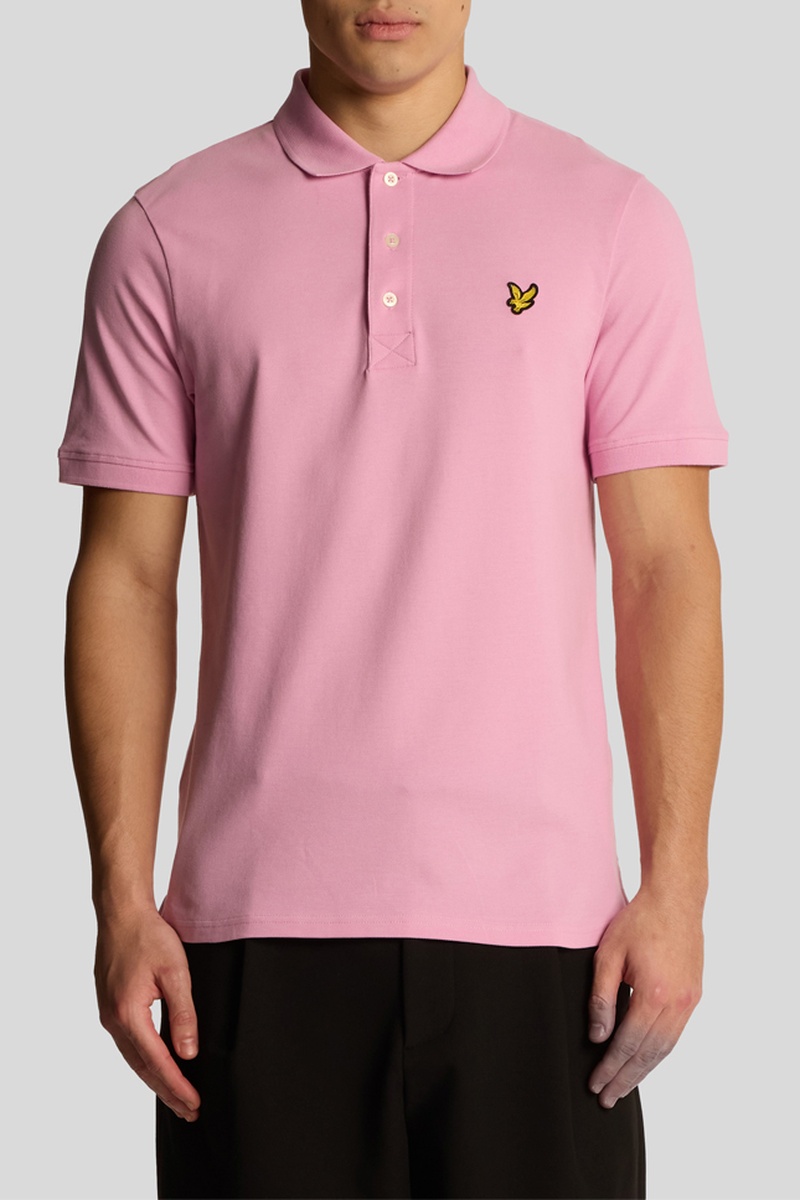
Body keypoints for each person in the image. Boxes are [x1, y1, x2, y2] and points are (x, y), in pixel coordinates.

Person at [56, 2, 728, 1197]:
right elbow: (126, 576)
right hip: (248, 941)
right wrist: (119, 900)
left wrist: (676, 891)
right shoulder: (164, 233)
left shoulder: (611, 219)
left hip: (548, 940)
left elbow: (664, 567)